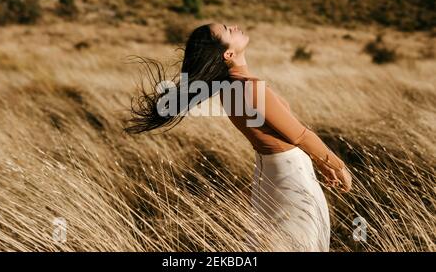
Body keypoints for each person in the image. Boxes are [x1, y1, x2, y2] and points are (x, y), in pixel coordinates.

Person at [124, 23, 352, 252]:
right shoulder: (246, 87)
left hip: (279, 176)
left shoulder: (231, 87)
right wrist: (337, 165)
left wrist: (322, 163)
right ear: (229, 54)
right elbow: (300, 134)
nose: (234, 27)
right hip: (290, 179)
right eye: (227, 30)